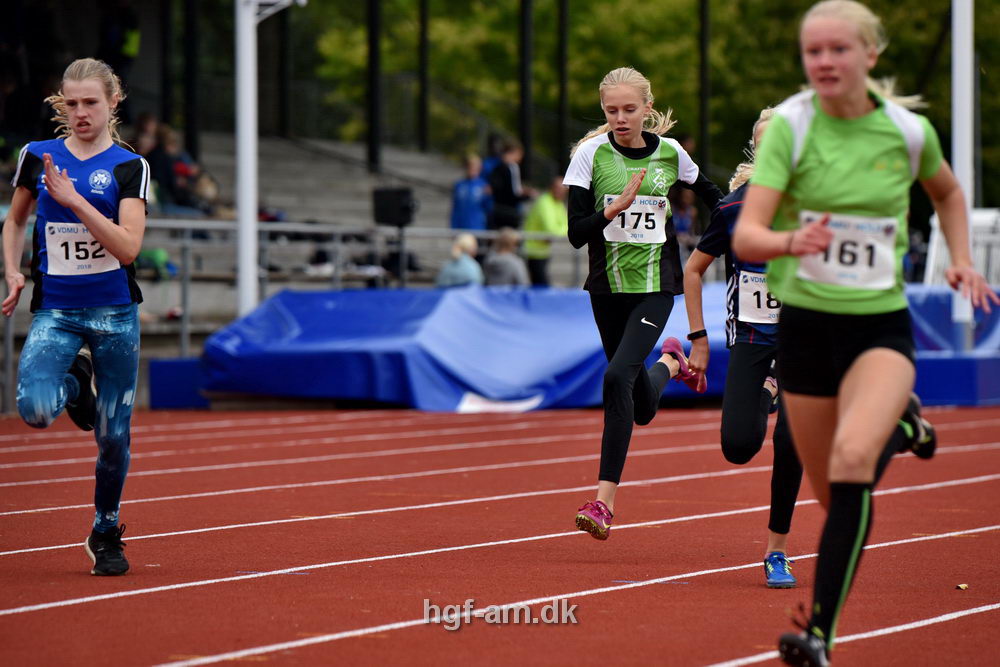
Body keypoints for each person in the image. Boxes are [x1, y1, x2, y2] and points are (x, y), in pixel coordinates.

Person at [731, 2, 1000, 664]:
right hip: (805, 329)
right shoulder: (790, 129)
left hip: (877, 327)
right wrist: (795, 238)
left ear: (870, 56)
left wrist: (961, 257)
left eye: (837, 50)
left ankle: (818, 633)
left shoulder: (908, 132)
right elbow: (747, 232)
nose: (823, 61)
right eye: (812, 51)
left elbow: (947, 193)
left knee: (854, 462)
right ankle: (907, 430)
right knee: (833, 490)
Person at [684, 107, 937, 591]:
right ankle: (770, 385)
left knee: (791, 443)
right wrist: (698, 338)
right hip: (753, 339)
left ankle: (776, 550)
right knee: (738, 446)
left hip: (807, 338)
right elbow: (694, 270)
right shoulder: (735, 210)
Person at [2, 58, 149, 576]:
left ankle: (105, 531)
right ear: (60, 104)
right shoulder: (37, 156)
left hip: (114, 315)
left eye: (91, 102)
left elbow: (128, 247)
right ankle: (75, 382)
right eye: (72, 102)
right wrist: (12, 271)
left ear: (113, 102)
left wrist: (75, 201)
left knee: (113, 437)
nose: (81, 112)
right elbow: (14, 220)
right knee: (36, 409)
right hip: (57, 311)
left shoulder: (131, 167)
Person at [564, 66, 723, 541]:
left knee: (615, 377)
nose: (620, 118)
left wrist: (734, 233)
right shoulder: (590, 156)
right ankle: (673, 364)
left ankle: (602, 501)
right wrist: (610, 211)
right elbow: (575, 233)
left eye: (629, 109)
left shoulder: (671, 154)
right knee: (642, 405)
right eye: (611, 110)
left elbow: (716, 197)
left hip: (656, 285)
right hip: (607, 289)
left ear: (647, 109)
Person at [522, 175, 568, 287]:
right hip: (533, 251)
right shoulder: (544, 202)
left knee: (541, 285)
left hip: (543, 251)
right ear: (552, 188)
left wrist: (564, 229)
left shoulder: (557, 203)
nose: (562, 193)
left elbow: (567, 225)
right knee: (541, 286)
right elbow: (552, 229)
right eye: (559, 189)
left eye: (564, 190)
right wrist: (564, 229)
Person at [488, 139, 535, 230]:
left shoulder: (496, 167)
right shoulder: (512, 167)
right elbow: (514, 193)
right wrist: (528, 195)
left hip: (497, 211)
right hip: (509, 213)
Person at [449, 154, 491, 231]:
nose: (472, 169)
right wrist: (453, 226)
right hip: (460, 227)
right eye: (469, 167)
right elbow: (455, 207)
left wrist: (489, 196)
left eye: (475, 167)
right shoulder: (459, 185)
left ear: (479, 169)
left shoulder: (484, 186)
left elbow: (488, 208)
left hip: (477, 227)